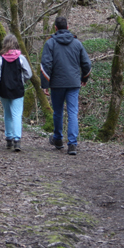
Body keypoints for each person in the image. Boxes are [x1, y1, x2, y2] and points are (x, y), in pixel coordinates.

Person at [40, 16, 91, 155]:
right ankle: (72, 144)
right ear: (68, 27)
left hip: (57, 84)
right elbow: (87, 64)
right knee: (73, 112)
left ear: (55, 28)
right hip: (74, 83)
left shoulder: (50, 44)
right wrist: (84, 78)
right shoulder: (77, 43)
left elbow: (46, 65)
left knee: (57, 112)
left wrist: (45, 83)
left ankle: (57, 139)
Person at [0, 34, 33, 152]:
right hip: (18, 89)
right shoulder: (21, 58)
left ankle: (9, 138)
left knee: (7, 114)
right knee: (17, 115)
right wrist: (23, 80)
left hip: (3, 90)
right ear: (16, 44)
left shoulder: (0, 59)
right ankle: (17, 140)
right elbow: (29, 74)